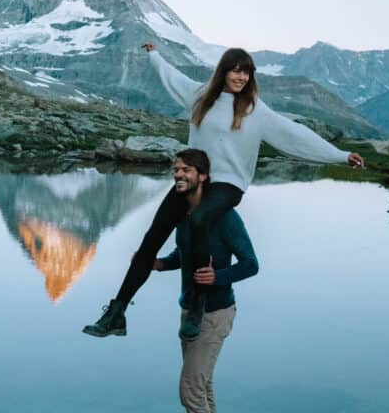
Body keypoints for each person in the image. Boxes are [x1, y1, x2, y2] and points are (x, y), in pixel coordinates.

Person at [83, 44, 364, 342]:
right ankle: (117, 312)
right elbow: (170, 77)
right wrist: (154, 55)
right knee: (152, 238)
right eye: (236, 70)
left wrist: (339, 155)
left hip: (229, 184)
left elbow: (294, 134)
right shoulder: (201, 97)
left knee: (199, 218)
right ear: (224, 71)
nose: (241, 77)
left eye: (247, 72)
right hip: (196, 179)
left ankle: (196, 304)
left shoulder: (255, 109)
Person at [151, 150, 259, 413]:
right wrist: (158, 264)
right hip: (189, 313)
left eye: (186, 169)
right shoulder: (185, 214)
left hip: (214, 315)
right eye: (176, 169)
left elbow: (251, 264)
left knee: (191, 391)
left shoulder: (225, 217)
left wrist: (219, 276)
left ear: (203, 176)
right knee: (203, 387)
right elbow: (182, 255)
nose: (178, 174)